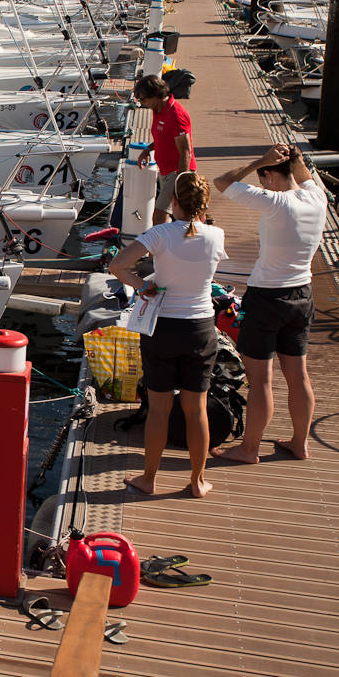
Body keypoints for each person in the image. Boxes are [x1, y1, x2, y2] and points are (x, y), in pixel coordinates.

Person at [109, 173, 224, 498]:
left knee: (159, 410)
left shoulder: (159, 234)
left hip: (162, 329)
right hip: (200, 329)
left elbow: (117, 266)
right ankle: (198, 481)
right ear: (203, 204)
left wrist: (143, 285)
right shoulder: (216, 235)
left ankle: (149, 478)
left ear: (173, 201)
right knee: (196, 409)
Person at [212, 144, 324, 463]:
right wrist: (294, 158)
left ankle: (249, 449)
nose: (263, 186)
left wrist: (258, 162)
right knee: (298, 375)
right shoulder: (317, 198)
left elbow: (223, 182)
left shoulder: (275, 201)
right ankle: (300, 443)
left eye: (264, 179)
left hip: (266, 299)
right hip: (302, 295)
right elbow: (304, 174)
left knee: (261, 380)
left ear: (271, 176)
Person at [134, 75, 196, 225]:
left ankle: (157, 248)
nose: (141, 104)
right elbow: (164, 137)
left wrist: (181, 182)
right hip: (165, 171)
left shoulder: (176, 115)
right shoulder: (158, 109)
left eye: (143, 99)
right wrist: (148, 149)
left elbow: (185, 151)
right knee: (180, 215)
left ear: (156, 95)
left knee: (160, 215)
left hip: (177, 172)